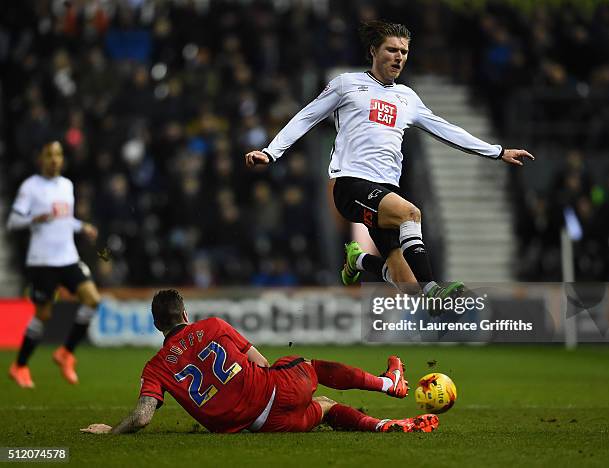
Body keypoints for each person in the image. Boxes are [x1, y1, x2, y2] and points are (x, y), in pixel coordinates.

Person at [245, 20, 534, 298]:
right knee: (411, 214)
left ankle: (358, 262)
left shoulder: (407, 97)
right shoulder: (347, 84)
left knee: (407, 285)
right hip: (350, 183)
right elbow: (307, 116)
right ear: (373, 51)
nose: (399, 57)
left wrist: (497, 151)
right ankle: (433, 289)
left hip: (386, 191)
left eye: (404, 52)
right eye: (392, 50)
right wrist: (271, 151)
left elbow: (446, 130)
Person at [80, 289, 439, 434]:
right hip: (274, 392)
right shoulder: (213, 325)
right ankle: (389, 384)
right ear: (185, 313)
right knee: (303, 364)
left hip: (265, 425)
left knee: (326, 407)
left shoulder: (155, 367)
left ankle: (380, 426)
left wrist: (112, 432)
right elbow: (262, 360)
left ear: (157, 325)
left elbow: (143, 417)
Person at [7, 141, 102, 388]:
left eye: (58, 154)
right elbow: (13, 221)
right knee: (44, 315)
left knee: (92, 299)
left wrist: (83, 227)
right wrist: (32, 219)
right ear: (40, 158)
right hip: (42, 261)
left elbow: (65, 219)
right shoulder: (30, 187)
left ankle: (65, 353)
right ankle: (19, 366)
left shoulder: (67, 185)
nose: (54, 159)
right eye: (49, 154)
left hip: (67, 257)